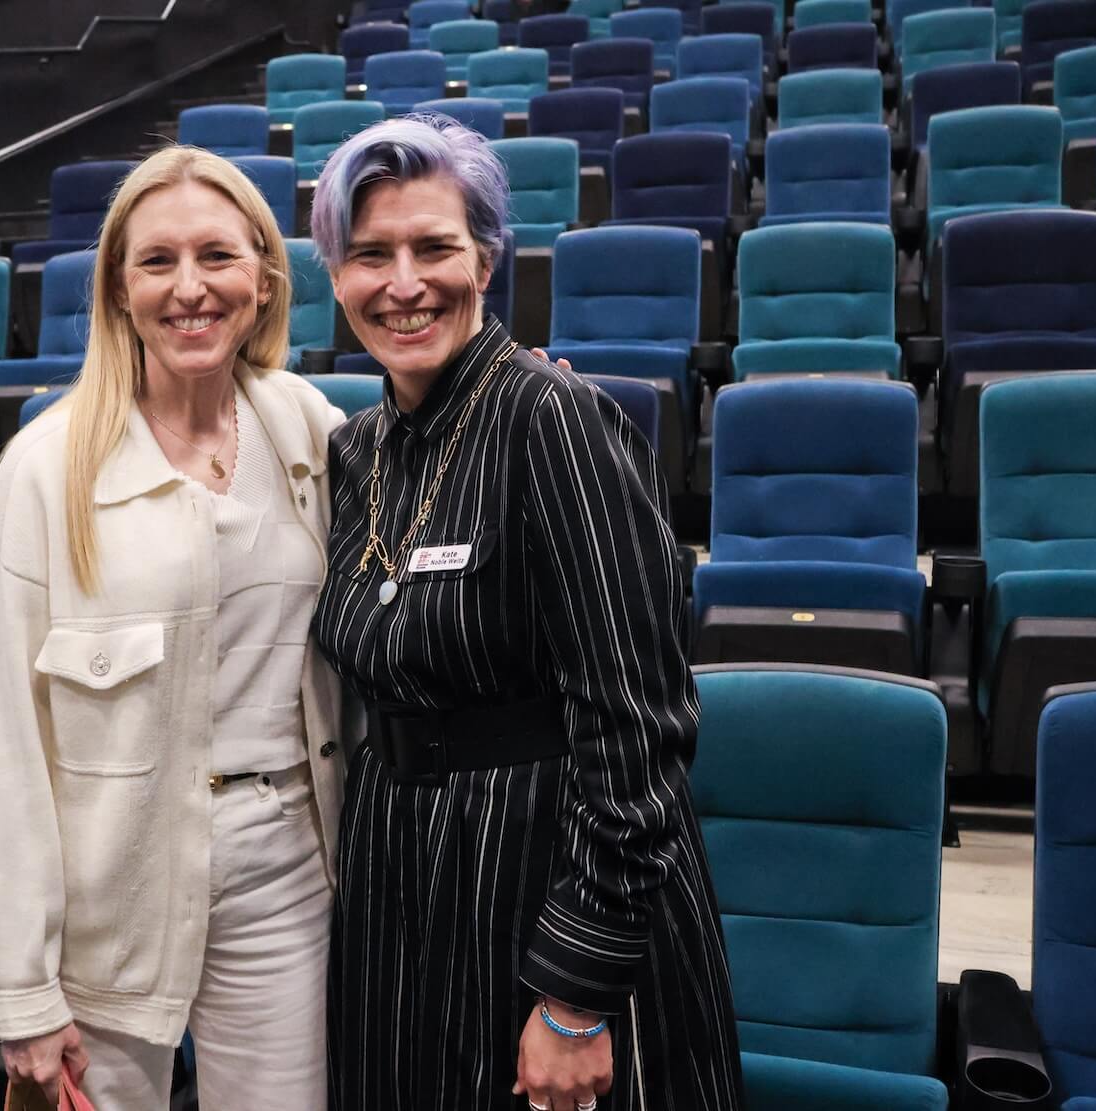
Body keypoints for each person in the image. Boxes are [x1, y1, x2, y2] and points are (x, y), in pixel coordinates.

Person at [309, 115, 743, 1111]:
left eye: (435, 248)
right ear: (334, 274)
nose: (403, 282)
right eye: (369, 254)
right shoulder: (358, 449)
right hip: (399, 875)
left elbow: (638, 726)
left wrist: (578, 992)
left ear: (488, 260)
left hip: (542, 873)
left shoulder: (552, 419)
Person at [0, 146, 345, 1110]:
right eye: (157, 261)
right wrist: (20, 991)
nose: (189, 288)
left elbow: (437, 495)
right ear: (118, 289)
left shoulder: (310, 426)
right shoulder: (46, 465)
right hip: (104, 890)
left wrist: (523, 392)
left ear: (264, 278)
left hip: (282, 866)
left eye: (217, 257)